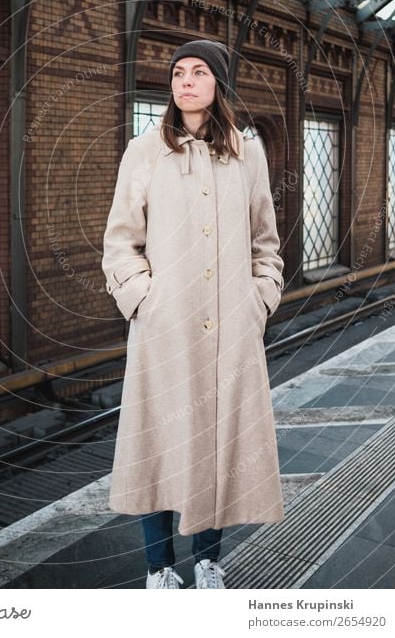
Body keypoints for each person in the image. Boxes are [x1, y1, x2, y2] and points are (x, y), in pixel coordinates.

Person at [102, 39, 285, 589]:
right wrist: (144, 301)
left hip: (232, 329)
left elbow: (265, 241)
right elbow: (120, 241)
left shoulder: (247, 154)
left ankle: (208, 560)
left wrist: (260, 300)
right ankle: (159, 568)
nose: (185, 81)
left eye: (199, 72)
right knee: (156, 445)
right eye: (178, 72)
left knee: (220, 445)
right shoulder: (144, 151)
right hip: (165, 331)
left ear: (218, 84)